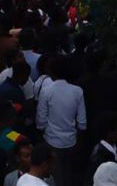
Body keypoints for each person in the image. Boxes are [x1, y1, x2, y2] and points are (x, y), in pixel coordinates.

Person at [36, 56, 86, 186]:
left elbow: (41, 120)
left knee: (55, 176)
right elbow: (82, 122)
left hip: (52, 140)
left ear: (52, 72)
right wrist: (78, 142)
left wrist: (44, 131)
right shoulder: (77, 91)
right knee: (68, 175)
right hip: (71, 141)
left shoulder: (47, 91)